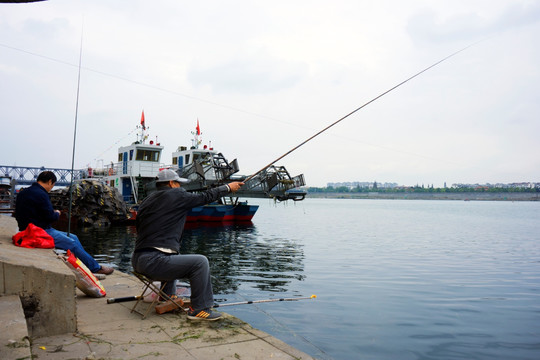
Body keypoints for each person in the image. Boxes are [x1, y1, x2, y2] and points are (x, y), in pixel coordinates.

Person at [132, 169, 244, 321]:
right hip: (153, 263)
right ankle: (200, 309)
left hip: (138, 262)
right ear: (171, 183)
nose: (180, 187)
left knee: (171, 254)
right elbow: (205, 197)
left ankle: (168, 296)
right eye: (178, 183)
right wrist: (228, 188)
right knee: (200, 262)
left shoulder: (148, 200)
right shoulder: (176, 194)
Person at [15, 171, 114, 275]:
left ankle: (82, 265)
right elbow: (51, 217)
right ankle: (95, 268)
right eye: (52, 185)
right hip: (39, 231)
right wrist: (57, 213)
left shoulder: (24, 192)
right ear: (49, 182)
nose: (51, 188)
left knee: (74, 237)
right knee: (72, 243)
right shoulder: (42, 194)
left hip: (26, 229)